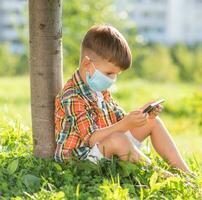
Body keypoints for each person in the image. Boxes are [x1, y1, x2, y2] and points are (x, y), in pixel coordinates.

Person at [54, 24, 194, 176]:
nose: (112, 79)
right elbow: (92, 139)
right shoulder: (72, 96)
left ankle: (187, 174)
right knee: (117, 140)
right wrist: (125, 124)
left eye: (116, 74)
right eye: (109, 73)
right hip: (80, 161)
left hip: (103, 149)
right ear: (87, 64)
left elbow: (119, 120)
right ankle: (163, 177)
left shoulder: (100, 89)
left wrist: (142, 115)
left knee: (152, 122)